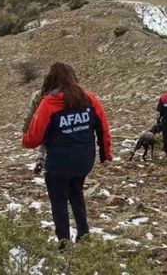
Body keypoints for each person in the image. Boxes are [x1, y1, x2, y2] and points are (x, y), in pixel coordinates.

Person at [23, 62, 113, 249]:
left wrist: (26, 140)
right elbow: (103, 129)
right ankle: (84, 233)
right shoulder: (89, 99)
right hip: (84, 161)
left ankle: (64, 244)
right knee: (76, 191)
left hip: (58, 165)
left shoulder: (48, 103)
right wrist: (105, 155)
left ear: (51, 79)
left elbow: (33, 139)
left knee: (58, 202)